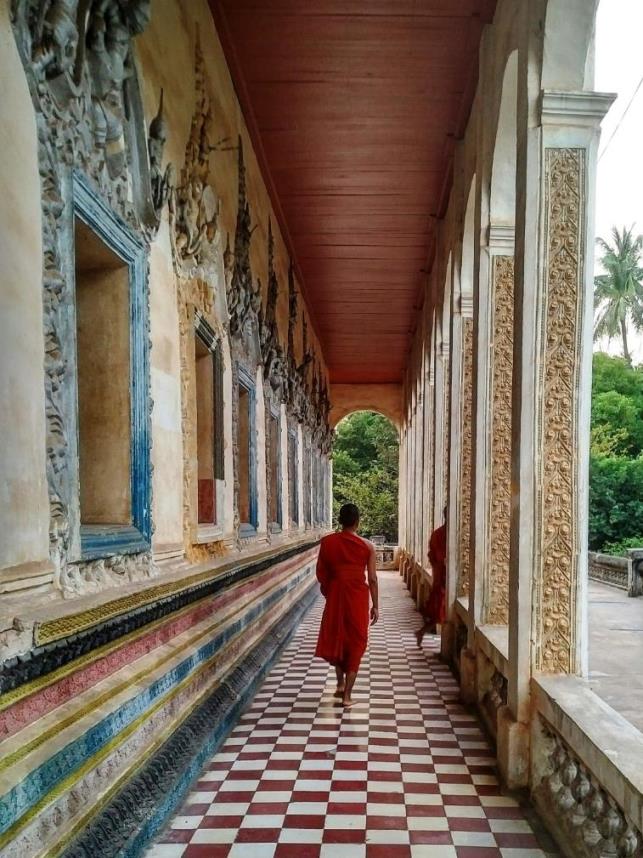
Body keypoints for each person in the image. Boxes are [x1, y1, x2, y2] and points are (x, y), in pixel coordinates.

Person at [315, 503, 379, 708]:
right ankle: (347, 696)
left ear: (340, 521)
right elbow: (373, 579)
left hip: (336, 596)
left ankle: (340, 684)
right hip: (358, 597)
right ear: (357, 522)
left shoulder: (327, 543)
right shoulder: (368, 546)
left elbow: (322, 573)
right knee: (356, 641)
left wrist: (330, 589)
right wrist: (375, 605)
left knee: (339, 637)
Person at [416, 508, 447, 646]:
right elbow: (436, 555)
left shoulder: (438, 534)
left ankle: (422, 632)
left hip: (441, 574)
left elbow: (433, 555)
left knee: (439, 610)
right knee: (439, 609)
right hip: (442, 576)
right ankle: (422, 631)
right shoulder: (440, 534)